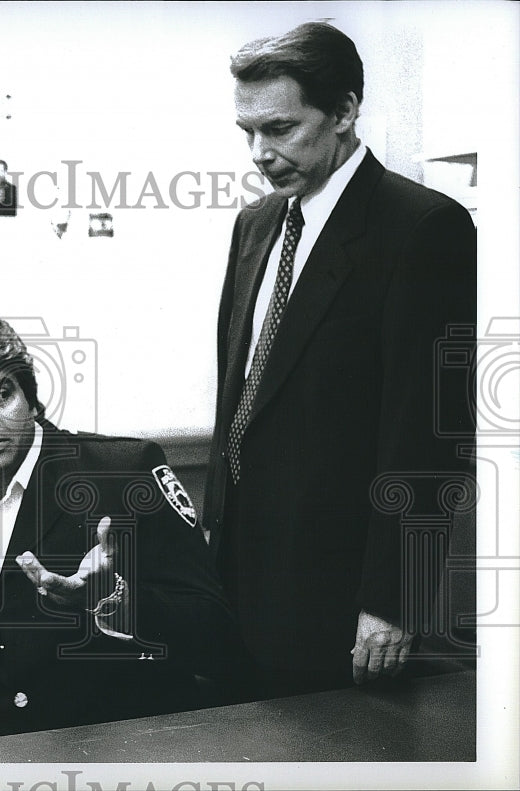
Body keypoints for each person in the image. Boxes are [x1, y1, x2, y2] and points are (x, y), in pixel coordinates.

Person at [202, 22, 476, 698]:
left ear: (346, 111)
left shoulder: (422, 229)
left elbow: (430, 439)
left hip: (343, 598)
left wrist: (393, 601)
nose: (260, 154)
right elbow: (240, 399)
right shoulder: (257, 224)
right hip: (238, 579)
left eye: (281, 128)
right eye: (248, 133)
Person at [0, 307, 249, 741]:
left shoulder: (124, 475)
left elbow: (218, 638)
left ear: (31, 398)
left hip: (132, 756)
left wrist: (115, 602)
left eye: (1, 393)